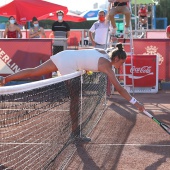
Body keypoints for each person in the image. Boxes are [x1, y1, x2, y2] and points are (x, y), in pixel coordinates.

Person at [0, 43, 145, 142]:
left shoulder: (103, 52)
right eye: (123, 62)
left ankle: (5, 79)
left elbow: (86, 53)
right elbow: (120, 89)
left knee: (35, 71)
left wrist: (84, 64)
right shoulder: (107, 66)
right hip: (68, 64)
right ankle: (75, 133)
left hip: (65, 54)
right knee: (75, 98)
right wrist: (136, 103)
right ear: (117, 58)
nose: (122, 66)